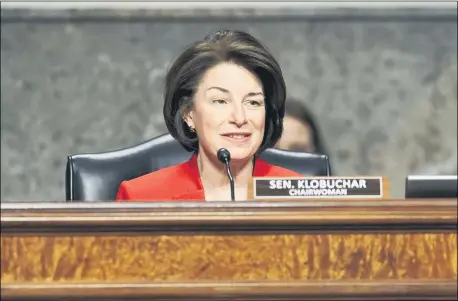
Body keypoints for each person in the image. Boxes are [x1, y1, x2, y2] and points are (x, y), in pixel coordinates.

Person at [116, 29, 302, 202]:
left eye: (253, 102)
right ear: (188, 113)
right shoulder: (142, 197)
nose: (239, 118)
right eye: (220, 101)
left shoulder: (299, 195)